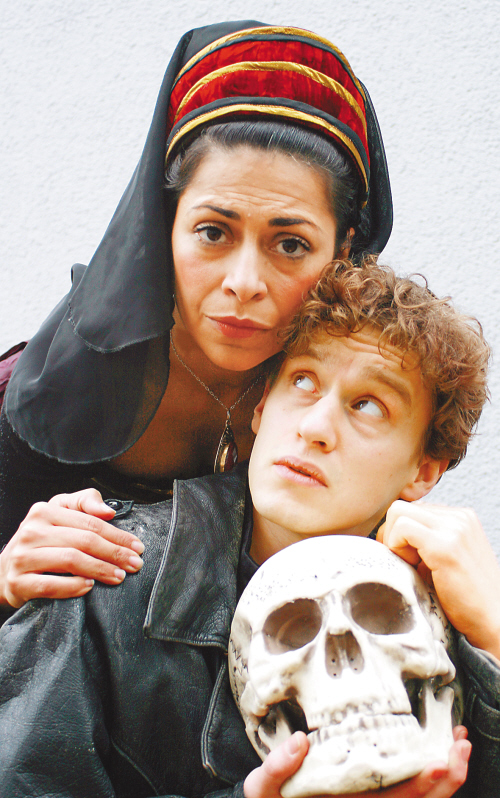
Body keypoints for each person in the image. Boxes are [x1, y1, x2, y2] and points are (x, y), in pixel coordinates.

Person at [1, 260, 498, 798]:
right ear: (261, 407)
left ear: (423, 472)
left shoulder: (457, 616)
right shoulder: (98, 570)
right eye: (303, 381)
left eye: (369, 406)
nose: (315, 427)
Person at [0, 21, 393, 611]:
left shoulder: (360, 409)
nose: (244, 283)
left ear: (343, 249)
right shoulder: (42, 392)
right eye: (213, 232)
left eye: (290, 244)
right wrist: (5, 581)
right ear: (164, 225)